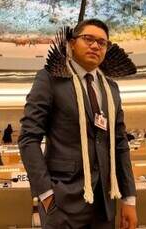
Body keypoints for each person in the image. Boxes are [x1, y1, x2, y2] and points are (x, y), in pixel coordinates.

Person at [19, 19, 137, 229]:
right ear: (72, 43)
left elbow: (120, 144)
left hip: (105, 201)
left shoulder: (111, 88)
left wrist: (129, 199)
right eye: (88, 39)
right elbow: (29, 138)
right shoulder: (50, 79)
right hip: (62, 201)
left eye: (102, 43)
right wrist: (46, 194)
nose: (95, 46)